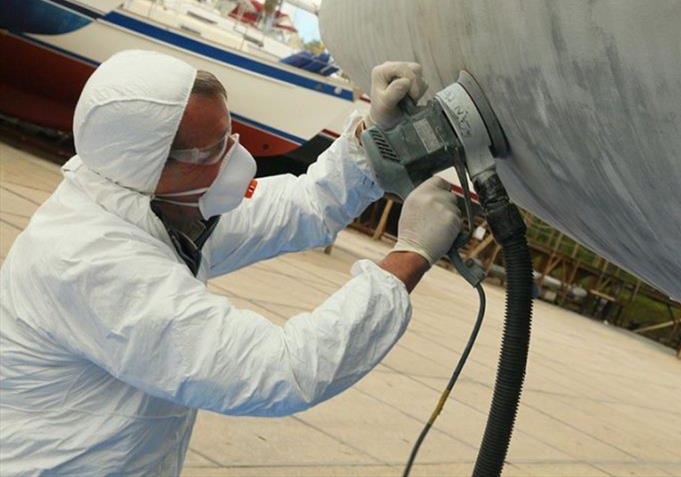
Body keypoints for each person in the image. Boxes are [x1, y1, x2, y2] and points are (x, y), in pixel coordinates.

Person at [0, 51, 462, 474]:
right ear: (152, 165)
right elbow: (278, 371)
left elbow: (300, 205)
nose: (234, 158)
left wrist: (369, 136)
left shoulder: (156, 205)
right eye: (214, 148)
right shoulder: (90, 262)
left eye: (230, 135)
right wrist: (409, 256)